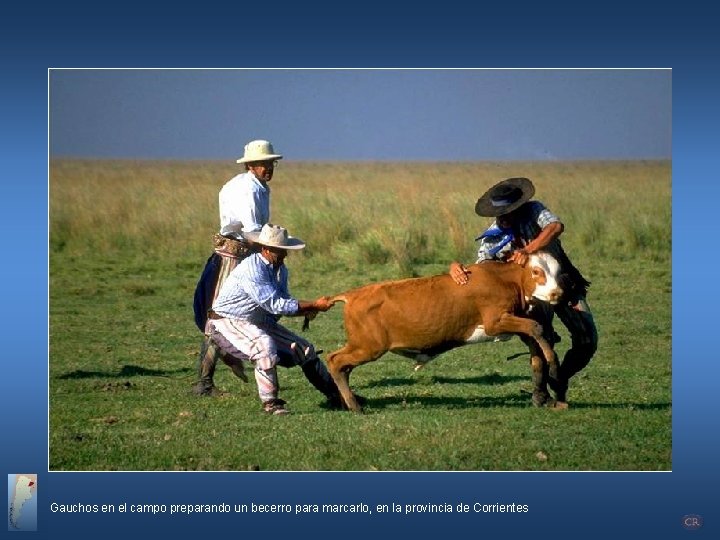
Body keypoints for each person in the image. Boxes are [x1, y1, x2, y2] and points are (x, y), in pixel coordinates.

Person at [449, 177, 597, 402]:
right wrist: (457, 268)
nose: (504, 218)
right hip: (532, 295)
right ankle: (540, 392)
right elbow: (483, 268)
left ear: (519, 207)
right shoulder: (493, 234)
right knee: (541, 338)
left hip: (564, 283)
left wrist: (529, 249)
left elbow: (555, 226)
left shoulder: (535, 210)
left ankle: (560, 377)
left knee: (587, 341)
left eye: (510, 211)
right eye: (500, 214)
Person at [205, 223, 344, 415]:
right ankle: (271, 404)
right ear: (266, 249)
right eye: (280, 251)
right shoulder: (252, 269)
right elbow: (274, 304)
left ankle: (337, 396)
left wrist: (307, 310)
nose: (284, 255)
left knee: (305, 350)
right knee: (265, 348)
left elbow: (283, 301)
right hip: (227, 321)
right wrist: (313, 305)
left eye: (285, 250)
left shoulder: (280, 270)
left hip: (256, 321)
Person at [192, 139, 284, 396]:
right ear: (251, 166)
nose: (268, 168)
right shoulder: (250, 190)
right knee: (220, 317)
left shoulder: (253, 186)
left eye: (270, 164)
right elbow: (251, 231)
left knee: (232, 315)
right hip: (234, 256)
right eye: (262, 164)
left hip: (241, 252)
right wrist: (275, 247)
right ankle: (204, 382)